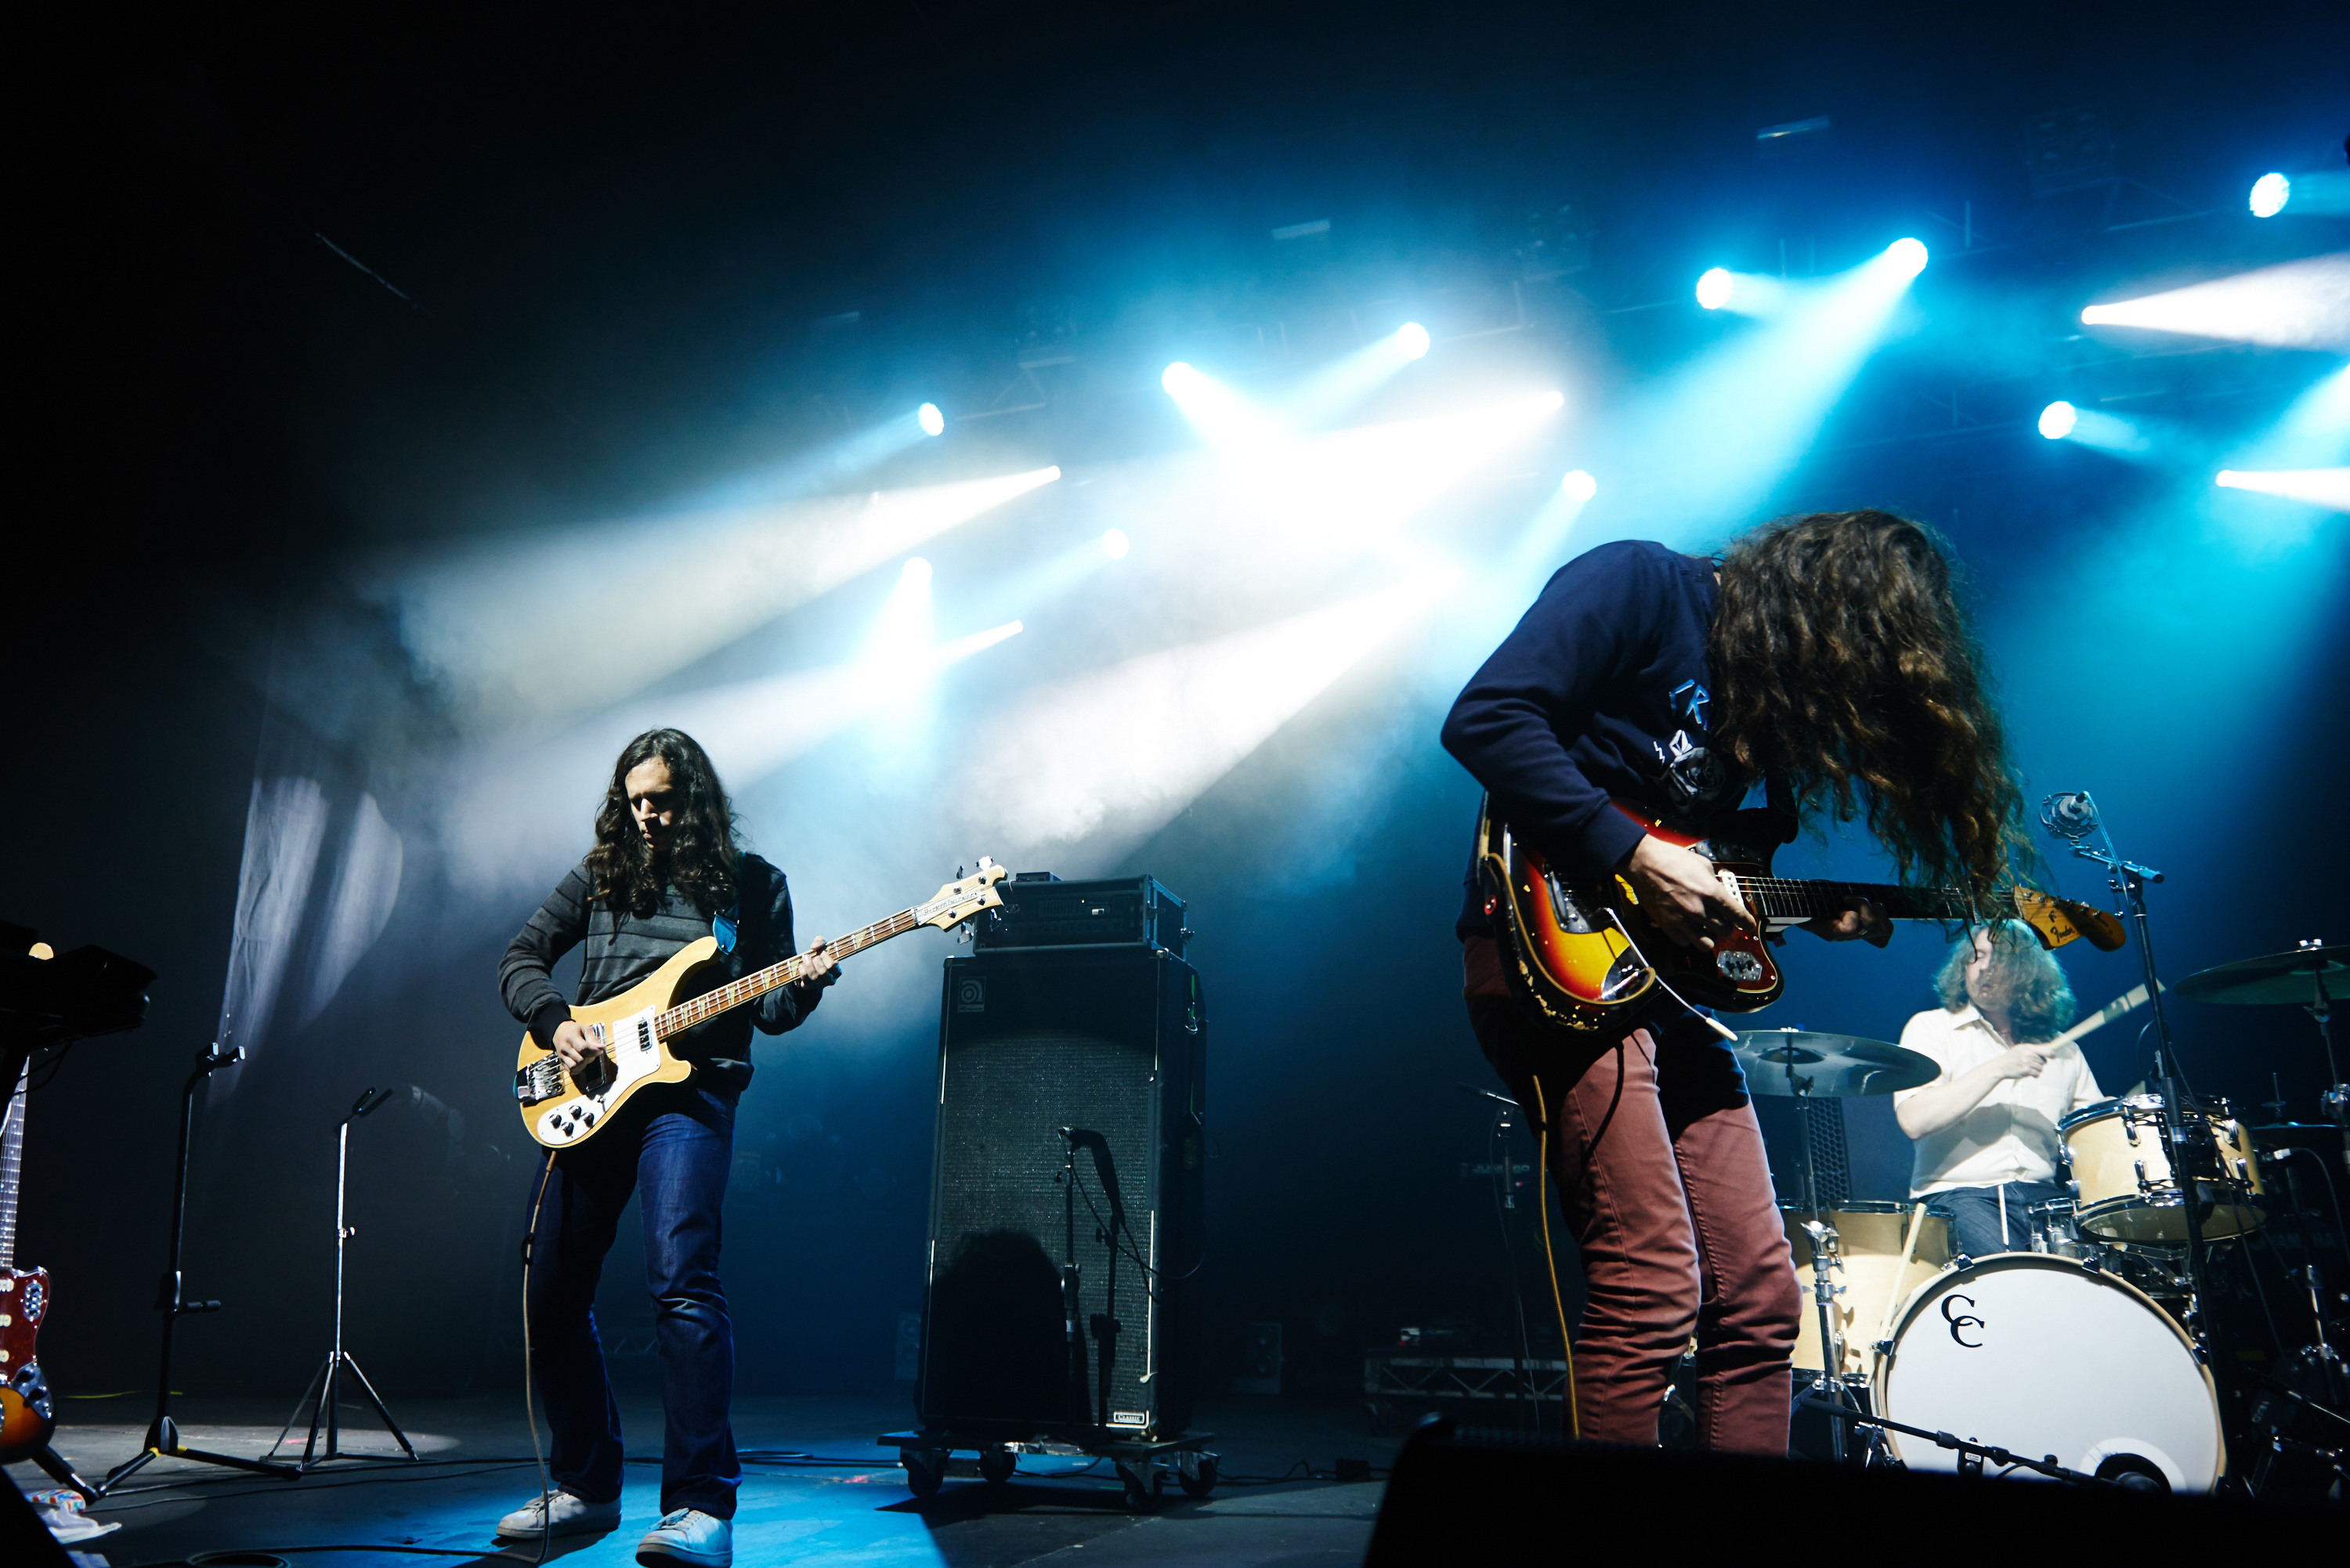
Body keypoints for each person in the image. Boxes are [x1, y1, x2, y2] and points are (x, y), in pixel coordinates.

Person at [1441, 510, 2024, 1453]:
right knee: (1649, 1281)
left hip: (1663, 987)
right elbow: (1487, 717)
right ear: (1815, 612)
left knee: (1761, 1295)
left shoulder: (1759, 706)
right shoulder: (1641, 583)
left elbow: (1706, 856)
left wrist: (1801, 906)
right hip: (1552, 952)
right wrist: (1636, 853)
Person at [494, 728, 838, 1568]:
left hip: (691, 1094)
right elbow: (521, 957)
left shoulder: (754, 886)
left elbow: (770, 1011)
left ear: (699, 800)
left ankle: (700, 1504)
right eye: (637, 801)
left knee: (682, 1281)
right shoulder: (601, 873)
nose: (648, 815)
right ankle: (586, 1485)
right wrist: (558, 1023)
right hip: (589, 1092)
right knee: (550, 1292)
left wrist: (805, 983)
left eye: (665, 801)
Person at [1893, 921, 2099, 1259]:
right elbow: (1914, 1120)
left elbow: (2092, 1136)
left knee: (2092, 1275)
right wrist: (2000, 1067)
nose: (1984, 967)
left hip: (2045, 1197)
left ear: (2029, 972)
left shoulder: (2065, 1050)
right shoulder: (1932, 1027)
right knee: (2010, 1275)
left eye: (1999, 957)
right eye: (1976, 956)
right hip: (1960, 1194)